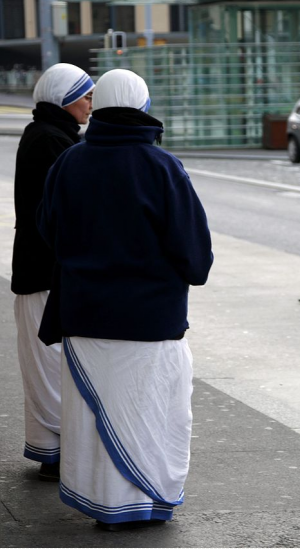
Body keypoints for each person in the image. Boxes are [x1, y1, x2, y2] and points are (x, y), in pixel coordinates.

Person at [36, 69, 213, 531]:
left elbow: (47, 231)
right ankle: (147, 503)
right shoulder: (163, 168)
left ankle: (103, 504)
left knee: (97, 423)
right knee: (152, 415)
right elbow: (195, 256)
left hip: (84, 317)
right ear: (142, 106)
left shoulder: (69, 163)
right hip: (151, 323)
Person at [12, 63, 94, 482]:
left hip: (37, 269)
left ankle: (52, 452)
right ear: (64, 99)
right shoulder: (51, 141)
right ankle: (59, 454)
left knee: (46, 364)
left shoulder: (49, 135)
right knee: (49, 365)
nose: (90, 103)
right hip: (43, 272)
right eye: (85, 95)